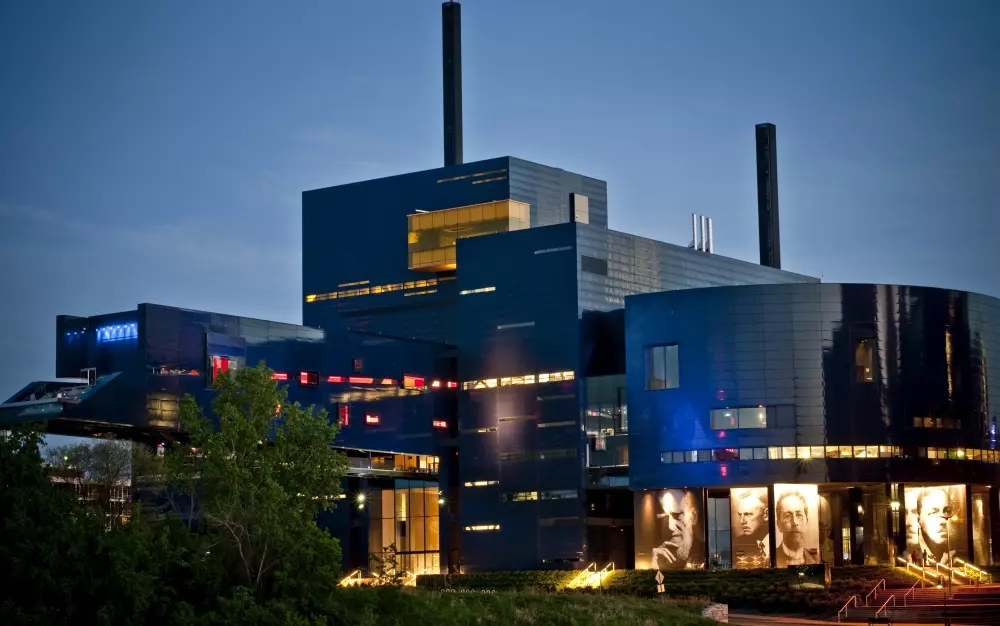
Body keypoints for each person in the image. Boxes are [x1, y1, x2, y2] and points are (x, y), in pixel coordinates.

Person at [650, 489, 705, 570]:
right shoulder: (661, 553)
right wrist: (655, 564)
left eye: (676, 516)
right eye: (664, 518)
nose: (670, 526)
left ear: (693, 516)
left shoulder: (706, 553)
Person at [774, 490, 818, 567]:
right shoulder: (772, 558)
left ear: (806, 520)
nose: (794, 523)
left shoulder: (815, 559)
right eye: (787, 516)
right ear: (779, 525)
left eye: (799, 515)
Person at [916, 487, 956, 565]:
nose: (943, 521)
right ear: (919, 519)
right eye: (933, 512)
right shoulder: (913, 556)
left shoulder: (955, 557)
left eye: (947, 512)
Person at [732, 489, 770, 568]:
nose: (742, 521)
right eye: (740, 515)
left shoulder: (784, 543)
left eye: (748, 514)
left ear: (766, 515)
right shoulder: (740, 543)